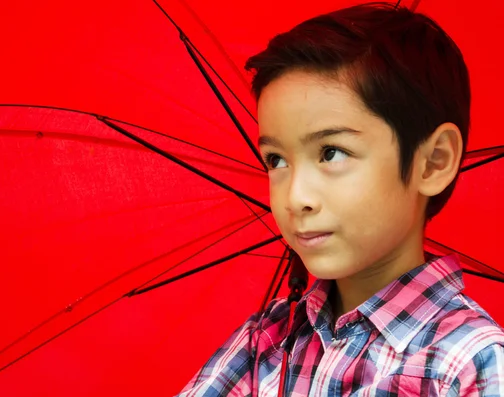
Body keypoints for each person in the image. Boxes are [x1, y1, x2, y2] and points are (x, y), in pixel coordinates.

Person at [175, 2, 504, 396]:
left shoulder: (470, 365)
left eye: (331, 152)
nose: (296, 197)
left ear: (433, 161)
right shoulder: (263, 346)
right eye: (276, 160)